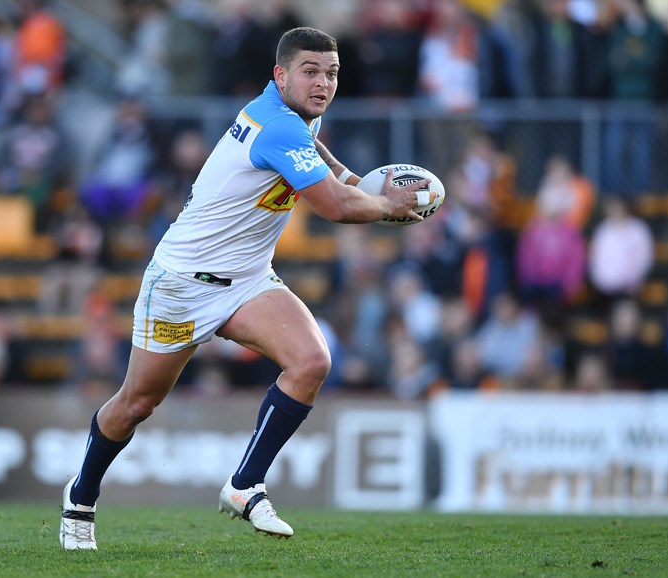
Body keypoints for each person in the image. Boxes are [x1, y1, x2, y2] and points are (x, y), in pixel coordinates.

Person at [59, 26, 433, 550]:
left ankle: (244, 484)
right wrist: (386, 204)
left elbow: (315, 149)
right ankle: (81, 495)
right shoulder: (278, 126)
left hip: (248, 279)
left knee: (311, 361)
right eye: (310, 72)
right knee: (137, 403)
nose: (323, 84)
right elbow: (334, 208)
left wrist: (352, 178)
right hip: (184, 283)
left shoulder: (292, 113)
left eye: (331, 74)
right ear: (280, 75)